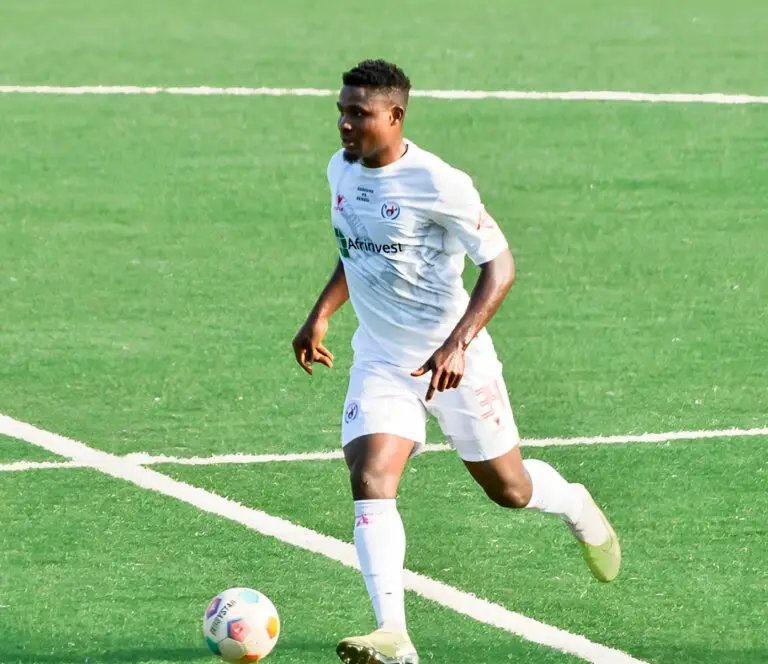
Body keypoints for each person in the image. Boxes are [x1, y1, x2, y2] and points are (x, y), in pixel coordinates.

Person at [292, 58, 620, 664]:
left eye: (358, 113)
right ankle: (393, 635)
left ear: (395, 115)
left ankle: (573, 501)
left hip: (455, 363)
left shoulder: (439, 183)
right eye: (341, 111)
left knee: (510, 489)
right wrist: (321, 313)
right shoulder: (340, 168)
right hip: (382, 361)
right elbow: (356, 249)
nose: (344, 124)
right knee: (370, 478)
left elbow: (500, 266)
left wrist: (459, 343)